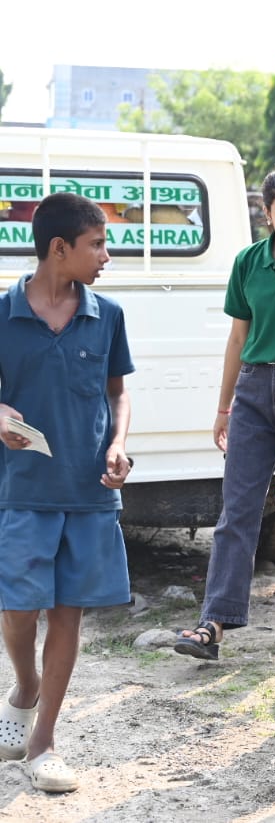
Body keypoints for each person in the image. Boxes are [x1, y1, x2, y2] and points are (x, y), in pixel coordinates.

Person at [0, 192, 134, 793]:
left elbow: (117, 393)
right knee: (18, 607)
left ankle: (43, 740)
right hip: (21, 489)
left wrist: (116, 446)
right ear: (60, 249)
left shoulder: (108, 316)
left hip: (89, 491)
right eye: (97, 244)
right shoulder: (3, 315)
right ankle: (24, 684)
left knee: (68, 611)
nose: (107, 255)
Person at [175, 165, 275, 662]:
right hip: (255, 391)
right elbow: (238, 337)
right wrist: (224, 404)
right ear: (267, 215)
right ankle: (213, 622)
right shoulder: (248, 262)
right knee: (236, 508)